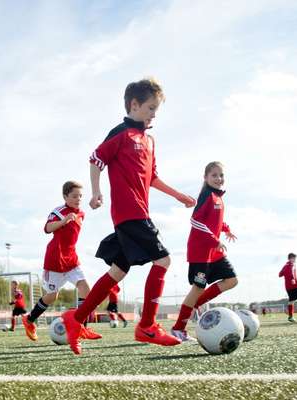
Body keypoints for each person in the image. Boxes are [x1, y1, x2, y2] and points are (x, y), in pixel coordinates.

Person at [60, 78, 196, 355]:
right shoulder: (121, 133)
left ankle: (76, 318)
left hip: (139, 212)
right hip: (129, 213)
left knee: (118, 270)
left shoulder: (149, 140)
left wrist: (177, 195)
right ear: (134, 105)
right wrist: (96, 193)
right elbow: (96, 160)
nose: (154, 114)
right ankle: (146, 325)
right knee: (163, 260)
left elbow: (152, 177)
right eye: (150, 107)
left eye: (157, 109)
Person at [20, 181, 97, 342]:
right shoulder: (60, 211)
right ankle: (29, 320)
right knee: (51, 297)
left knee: (85, 289)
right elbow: (47, 228)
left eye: (80, 196)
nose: (78, 199)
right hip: (55, 260)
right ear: (65, 196)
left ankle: (81, 327)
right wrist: (64, 221)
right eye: (74, 196)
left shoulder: (82, 213)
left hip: (72, 260)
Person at [170, 161, 238, 341]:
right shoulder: (206, 195)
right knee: (198, 287)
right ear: (206, 178)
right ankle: (178, 329)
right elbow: (195, 221)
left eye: (221, 175)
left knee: (232, 280)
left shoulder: (218, 197)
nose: (218, 178)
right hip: (200, 251)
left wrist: (226, 229)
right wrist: (214, 239)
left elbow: (215, 220)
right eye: (214, 175)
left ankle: (195, 304)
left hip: (214, 252)